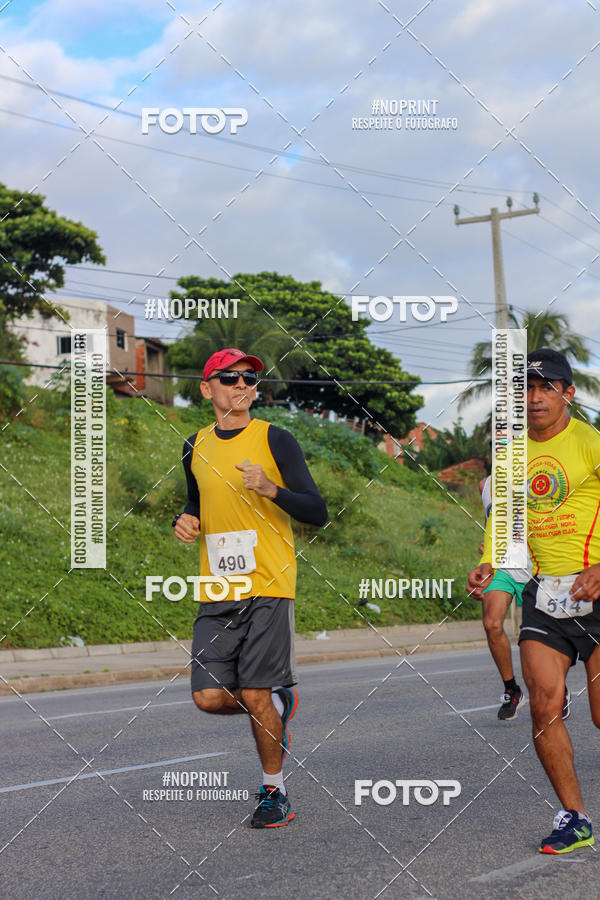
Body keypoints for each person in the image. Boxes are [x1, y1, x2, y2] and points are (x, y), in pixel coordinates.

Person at [173, 347, 328, 828]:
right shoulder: (194, 445)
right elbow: (195, 501)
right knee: (208, 697)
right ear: (207, 388)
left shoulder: (275, 440)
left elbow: (317, 511)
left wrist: (270, 490)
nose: (242, 385)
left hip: (269, 583)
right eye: (230, 378)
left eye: (249, 378)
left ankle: (273, 792)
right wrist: (185, 519)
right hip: (219, 589)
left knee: (256, 690)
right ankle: (281, 703)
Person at [468, 348, 600, 854]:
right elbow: (505, 523)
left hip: (598, 594)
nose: (536, 396)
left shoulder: (589, 444)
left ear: (568, 393)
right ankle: (575, 817)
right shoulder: (510, 453)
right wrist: (491, 563)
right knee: (544, 704)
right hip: (545, 596)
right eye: (526, 387)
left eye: (547, 387)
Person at [477, 472, 528, 720]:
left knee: (534, 640)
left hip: (536, 567)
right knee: (491, 623)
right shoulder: (484, 485)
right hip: (502, 567)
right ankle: (512, 689)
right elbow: (490, 522)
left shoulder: (537, 475)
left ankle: (556, 690)